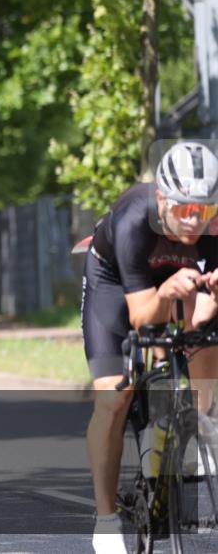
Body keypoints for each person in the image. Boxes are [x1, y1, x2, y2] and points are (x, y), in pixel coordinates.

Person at [82, 142, 218, 554]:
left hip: (178, 277)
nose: (194, 220)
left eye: (205, 210)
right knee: (114, 397)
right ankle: (106, 520)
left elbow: (202, 316)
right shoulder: (133, 219)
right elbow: (142, 317)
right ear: (162, 198)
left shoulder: (212, 227)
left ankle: (200, 422)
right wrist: (166, 293)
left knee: (206, 337)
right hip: (115, 283)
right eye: (184, 209)